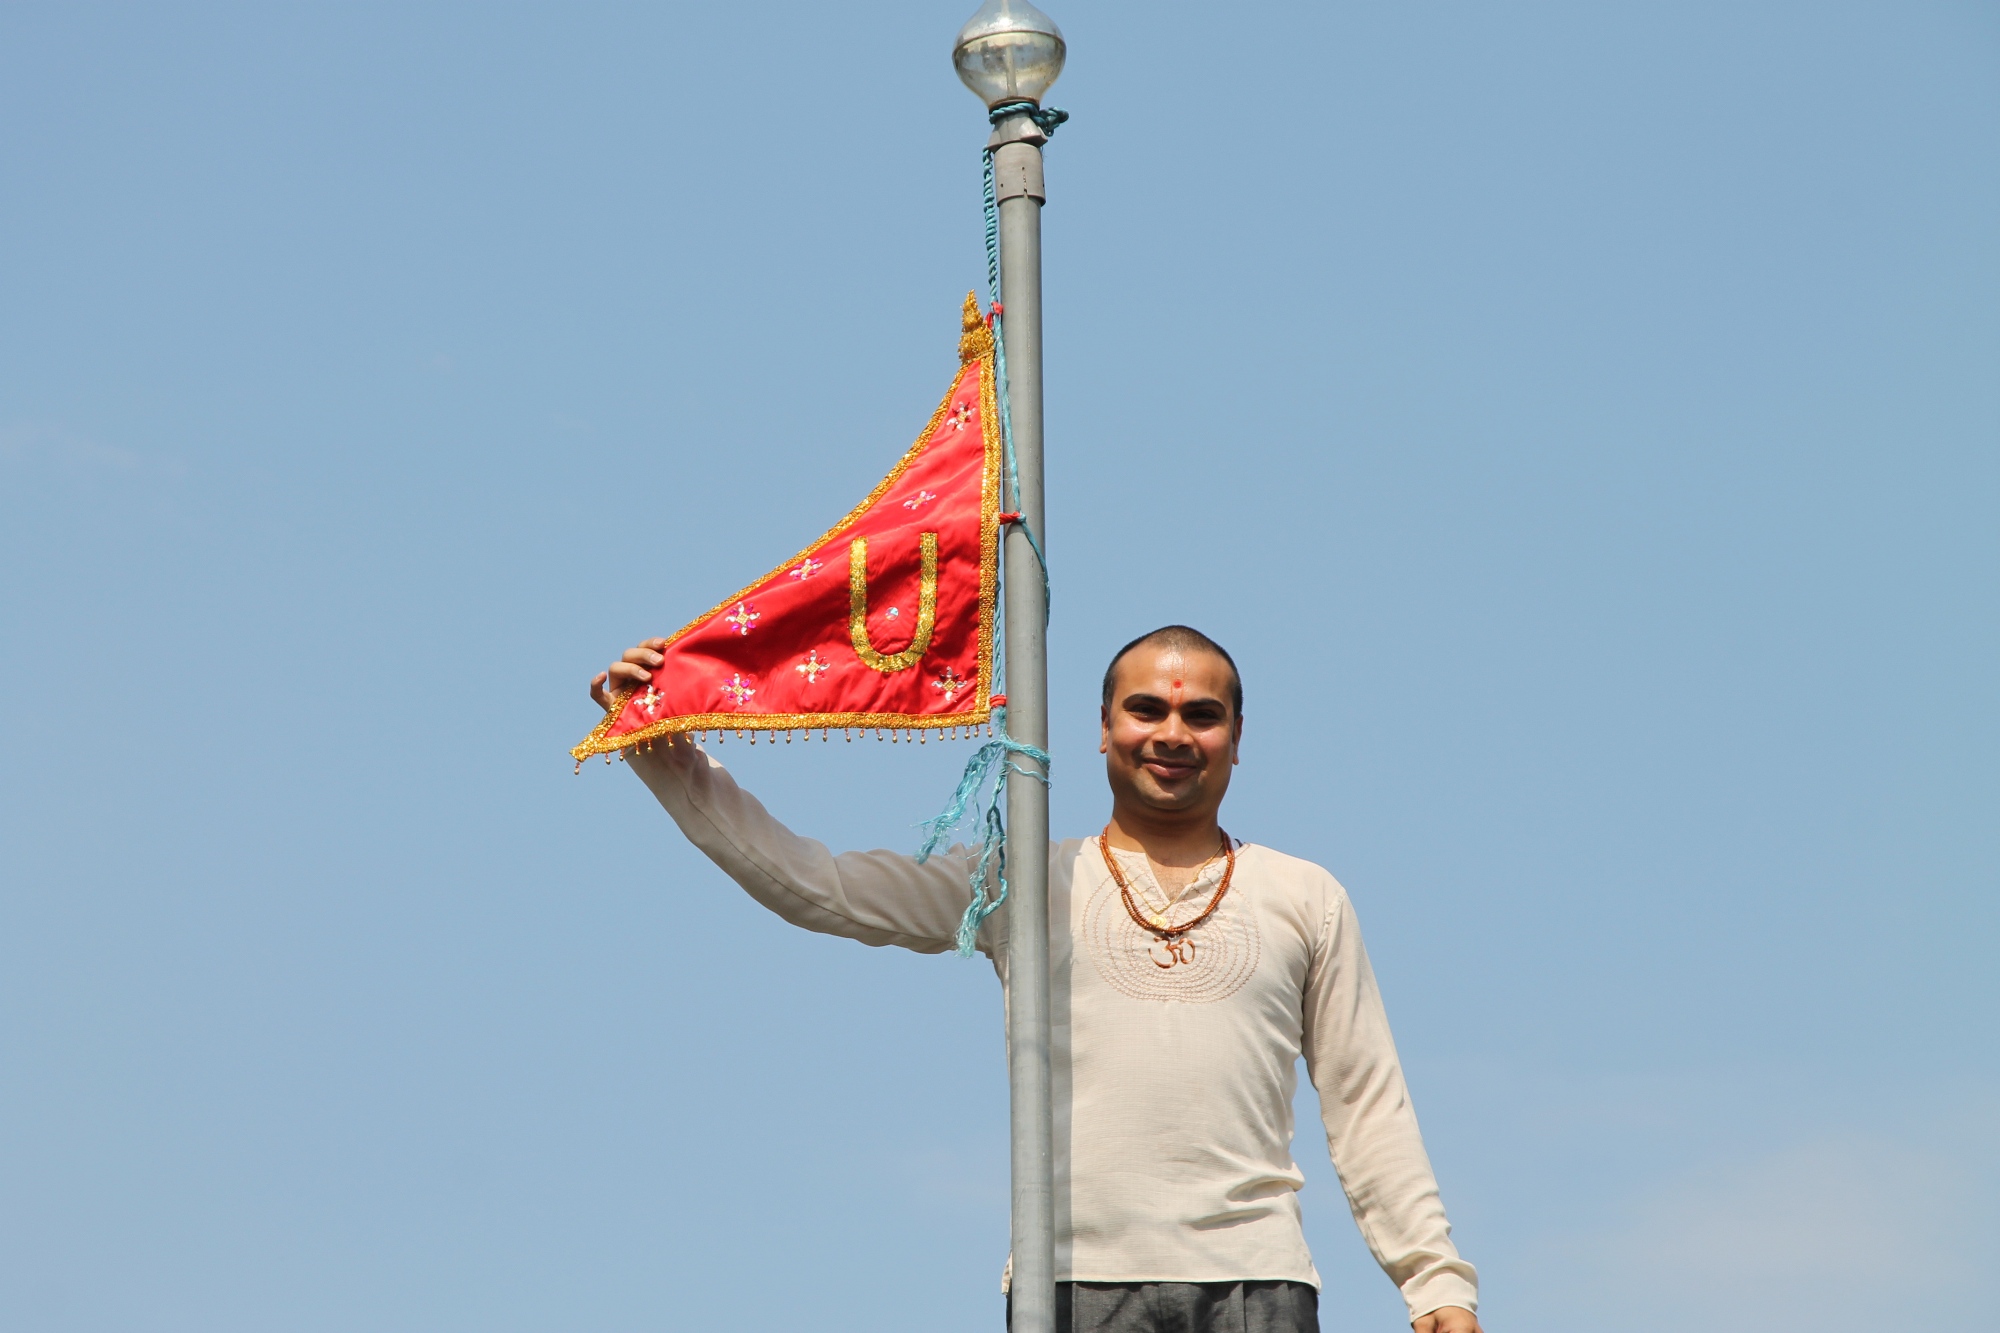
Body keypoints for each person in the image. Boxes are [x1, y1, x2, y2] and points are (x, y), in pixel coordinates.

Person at [590, 625, 1483, 1333]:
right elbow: (816, 886)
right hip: (1071, 1283)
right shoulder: (1021, 879)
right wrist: (665, 754)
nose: (1173, 734)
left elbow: (1366, 1100)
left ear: (1237, 739)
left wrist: (1434, 1279)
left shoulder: (1305, 895)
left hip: (1258, 1285)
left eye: (1202, 715)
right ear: (1102, 728)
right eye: (1146, 709)